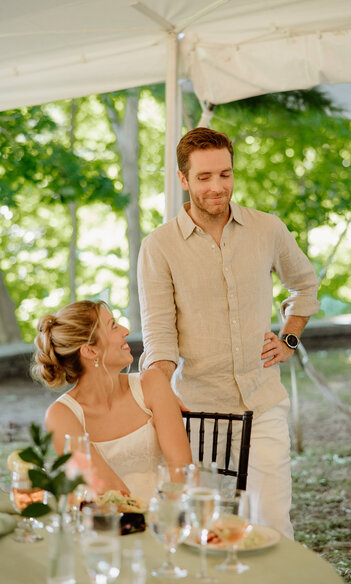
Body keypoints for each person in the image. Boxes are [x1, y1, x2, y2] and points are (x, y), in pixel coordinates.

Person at [137, 127, 320, 537]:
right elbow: (161, 337)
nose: (218, 187)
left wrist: (289, 338)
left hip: (263, 402)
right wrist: (158, 396)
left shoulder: (267, 229)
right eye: (204, 177)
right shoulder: (159, 247)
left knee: (272, 527)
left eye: (225, 174)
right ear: (183, 180)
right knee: (202, 532)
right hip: (197, 413)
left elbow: (305, 285)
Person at [32, 300, 192, 501]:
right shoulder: (61, 416)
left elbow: (183, 473)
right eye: (113, 326)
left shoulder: (152, 383)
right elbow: (112, 495)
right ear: (90, 351)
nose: (125, 331)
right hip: (108, 522)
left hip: (168, 516)